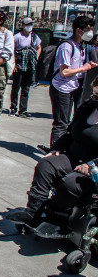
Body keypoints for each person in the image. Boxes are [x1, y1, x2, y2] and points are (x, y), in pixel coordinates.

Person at [6, 76, 98, 232]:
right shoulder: (89, 107)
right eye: (94, 94)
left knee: (71, 184)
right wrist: (57, 147)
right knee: (46, 165)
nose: (94, 98)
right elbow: (70, 131)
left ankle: (56, 218)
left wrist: (92, 165)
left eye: (97, 96)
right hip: (74, 156)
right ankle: (33, 212)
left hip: (93, 168)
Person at [48, 16, 98, 147]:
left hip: (74, 87)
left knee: (72, 121)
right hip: (62, 88)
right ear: (78, 30)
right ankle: (55, 150)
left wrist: (88, 66)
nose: (90, 32)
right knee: (61, 123)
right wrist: (84, 68)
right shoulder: (66, 46)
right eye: (88, 29)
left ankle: (63, 147)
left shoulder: (81, 46)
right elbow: (64, 72)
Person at [9, 17, 42, 119]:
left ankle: (23, 109)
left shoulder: (34, 37)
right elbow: (12, 50)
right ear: (22, 25)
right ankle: (13, 108)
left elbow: (39, 47)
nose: (29, 26)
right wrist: (13, 64)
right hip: (19, 66)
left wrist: (35, 59)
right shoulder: (17, 37)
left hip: (29, 66)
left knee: (26, 89)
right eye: (27, 24)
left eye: (31, 24)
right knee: (16, 88)